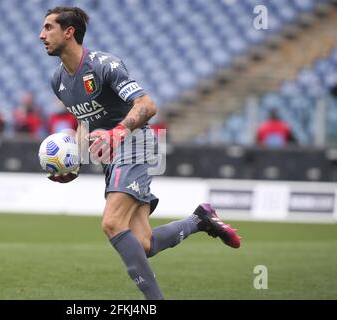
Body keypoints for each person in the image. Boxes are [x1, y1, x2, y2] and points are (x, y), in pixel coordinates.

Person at [39, 6, 240, 300]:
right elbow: (85, 121)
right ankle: (200, 220)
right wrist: (76, 164)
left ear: (69, 32)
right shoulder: (58, 81)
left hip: (136, 143)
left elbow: (147, 105)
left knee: (112, 222)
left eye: (48, 28)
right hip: (112, 156)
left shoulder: (104, 65)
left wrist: (116, 133)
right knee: (143, 243)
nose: (40, 35)